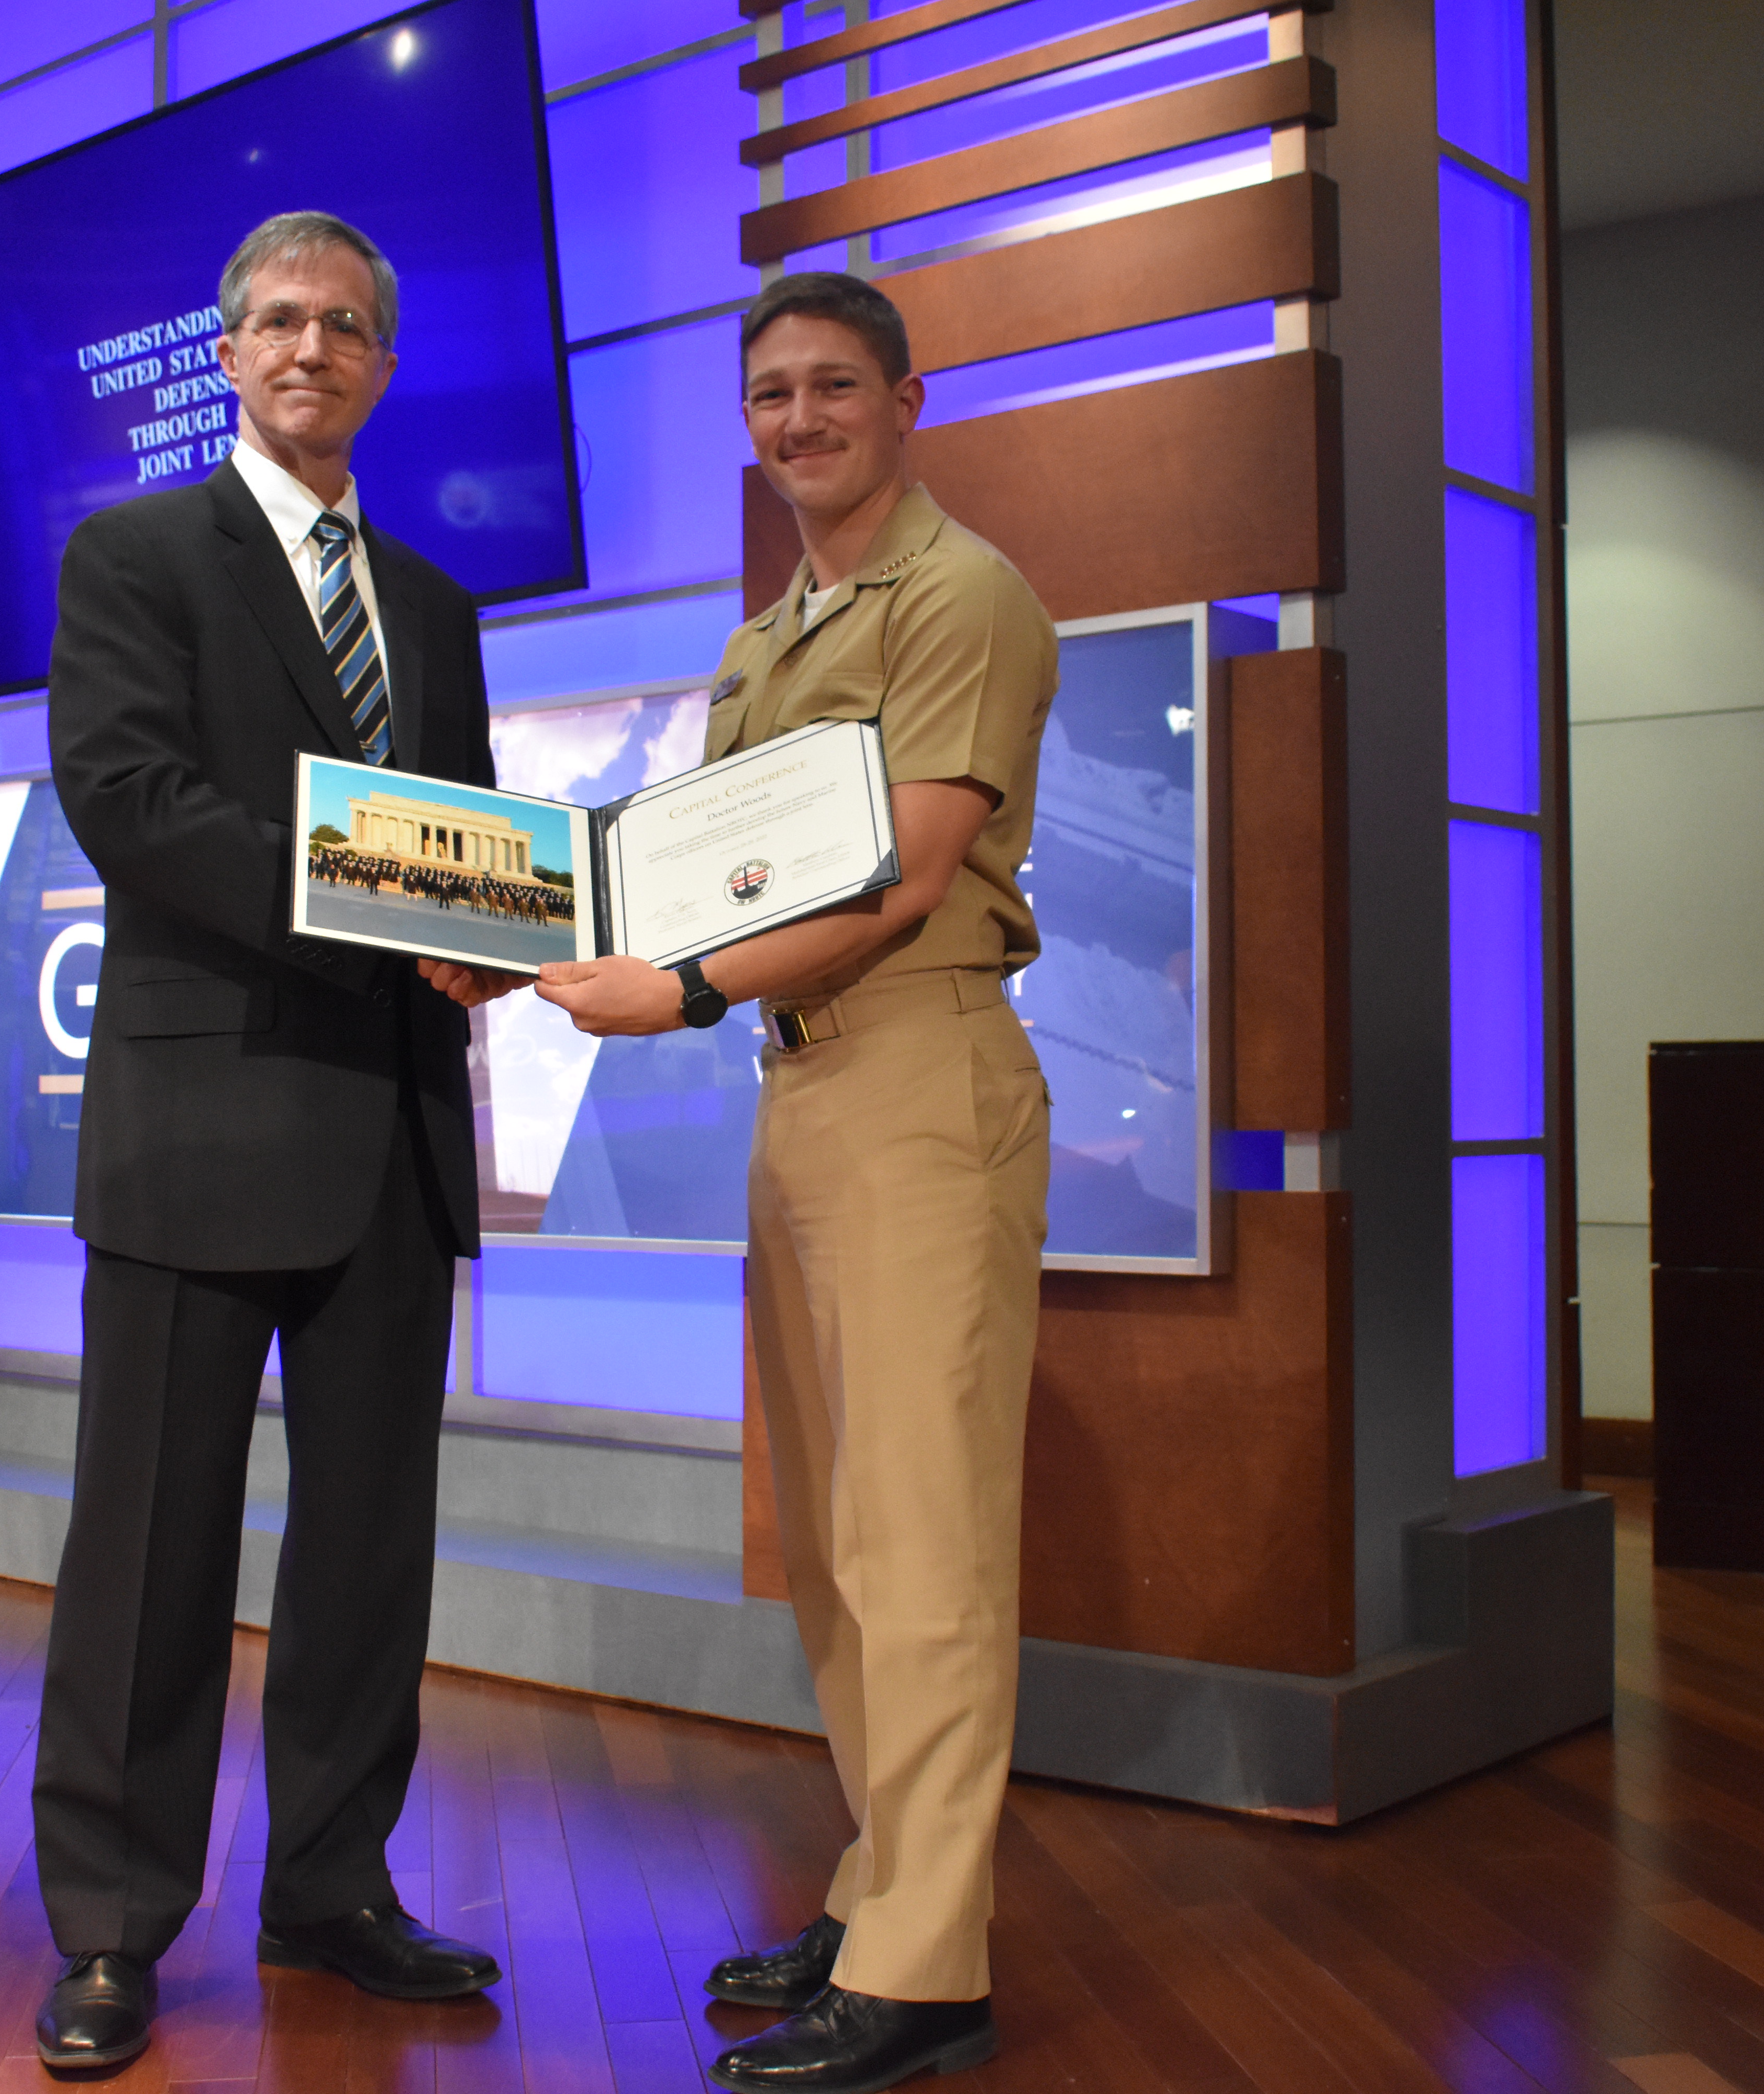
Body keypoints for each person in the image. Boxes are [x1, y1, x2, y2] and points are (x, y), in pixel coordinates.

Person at [535, 272, 1056, 2094]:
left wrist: (670, 988)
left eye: (837, 385)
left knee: (920, 1539)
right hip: (807, 1087)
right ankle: (883, 1889)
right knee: (841, 1546)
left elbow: (904, 878)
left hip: (919, 1071)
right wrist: (516, 927)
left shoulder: (962, 596)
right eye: (771, 392)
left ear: (910, 399)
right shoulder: (776, 632)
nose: (800, 418)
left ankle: (930, 1967)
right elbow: (698, 876)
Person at [32, 209, 525, 2073]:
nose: (309, 347)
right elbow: (135, 807)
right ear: (227, 354)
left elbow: (470, 844)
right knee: (146, 1550)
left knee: (365, 1556)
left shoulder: (439, 604)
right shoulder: (135, 554)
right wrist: (387, 917)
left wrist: (497, 938)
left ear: (383, 365)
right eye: (275, 322)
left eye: (344, 326)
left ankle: (331, 1885)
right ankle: (108, 1928)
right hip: (201, 1122)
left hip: (395, 1134)